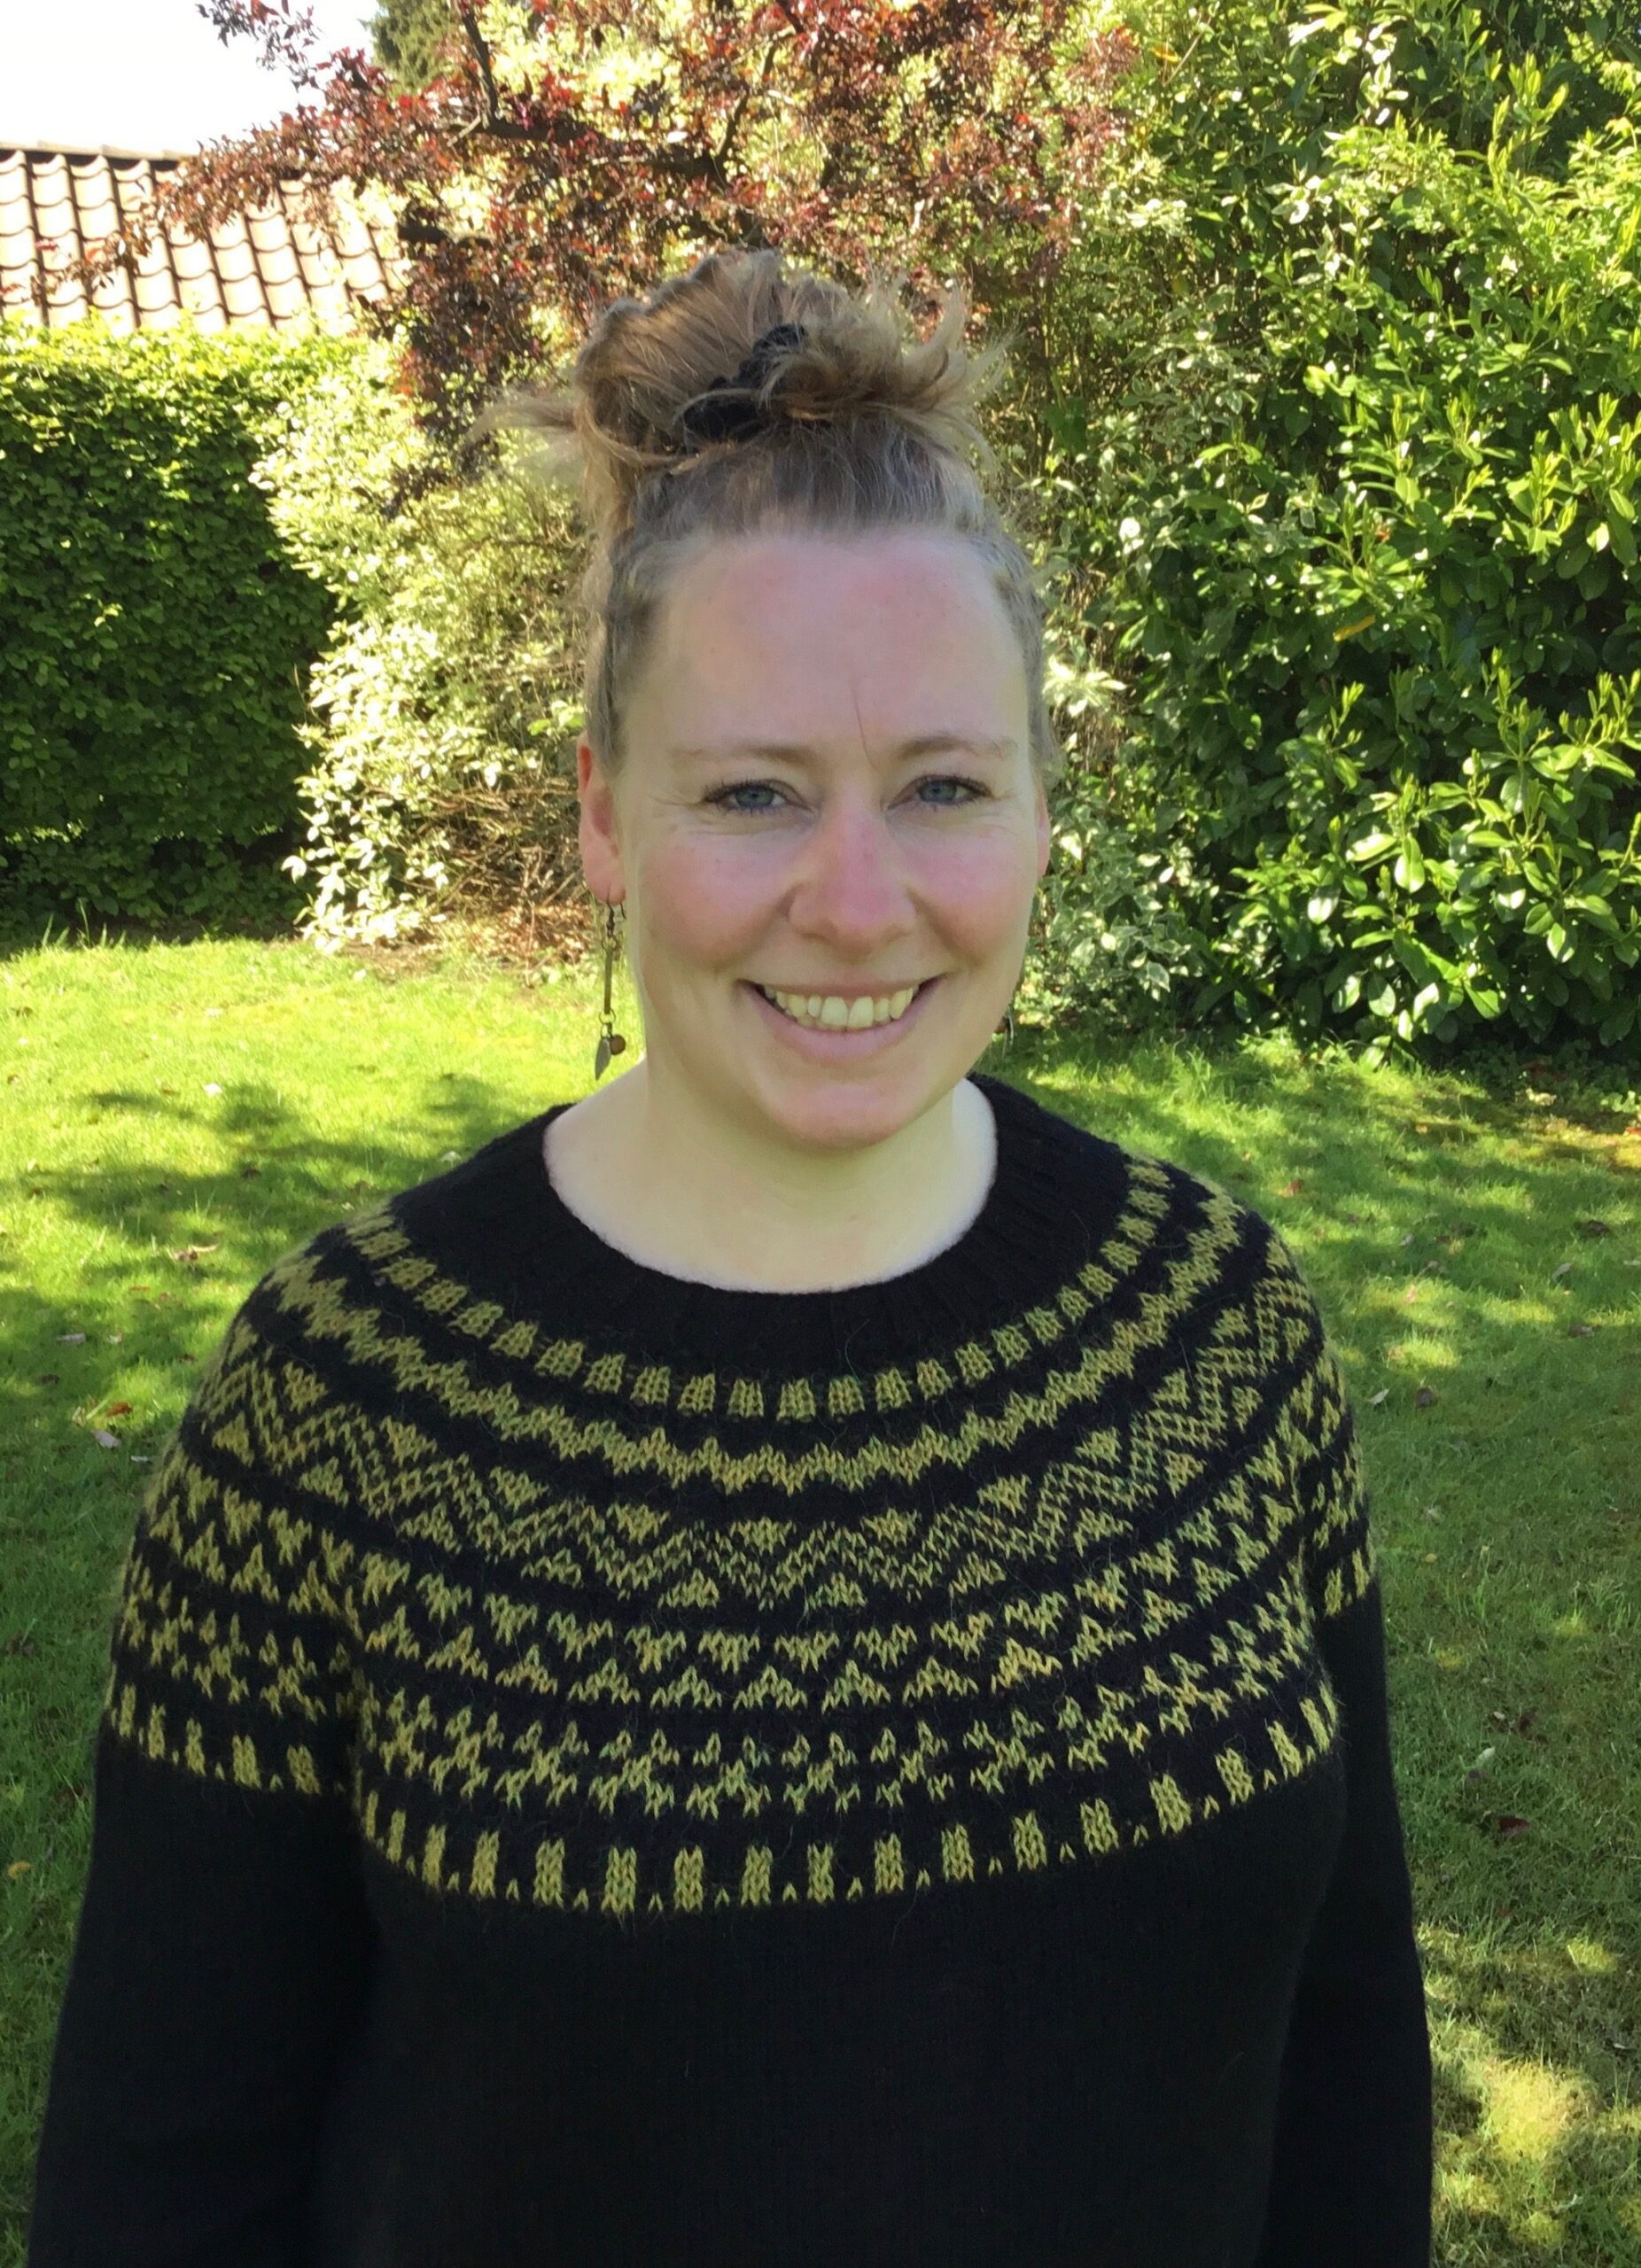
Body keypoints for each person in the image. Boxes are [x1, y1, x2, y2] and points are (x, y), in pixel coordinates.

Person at [27, 245, 1433, 2267]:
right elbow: (163, 2176)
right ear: (605, 814)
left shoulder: (1221, 1330)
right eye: (755, 792)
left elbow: (1348, 2055)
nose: (856, 903)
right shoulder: (344, 1403)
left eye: (944, 786)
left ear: (1045, 811)